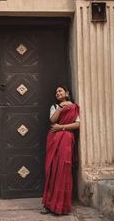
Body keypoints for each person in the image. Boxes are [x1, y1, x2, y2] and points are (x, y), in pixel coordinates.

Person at [41, 86, 80, 215]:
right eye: (56, 91)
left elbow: (77, 124)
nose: (57, 93)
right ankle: (48, 205)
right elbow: (52, 120)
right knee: (53, 170)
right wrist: (61, 107)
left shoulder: (74, 108)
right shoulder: (54, 106)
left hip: (66, 140)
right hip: (54, 140)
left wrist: (61, 127)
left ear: (67, 93)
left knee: (63, 170)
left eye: (60, 91)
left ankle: (61, 206)